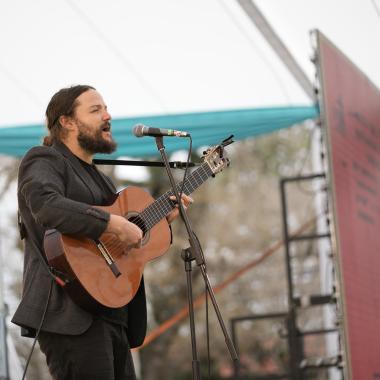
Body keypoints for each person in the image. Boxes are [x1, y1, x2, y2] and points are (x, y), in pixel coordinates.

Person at [12, 85, 192, 379]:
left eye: (106, 108)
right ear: (67, 122)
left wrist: (161, 219)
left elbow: (121, 242)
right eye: (95, 110)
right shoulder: (43, 159)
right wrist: (111, 224)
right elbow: (46, 205)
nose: (107, 115)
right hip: (70, 314)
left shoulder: (102, 181)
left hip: (113, 312)